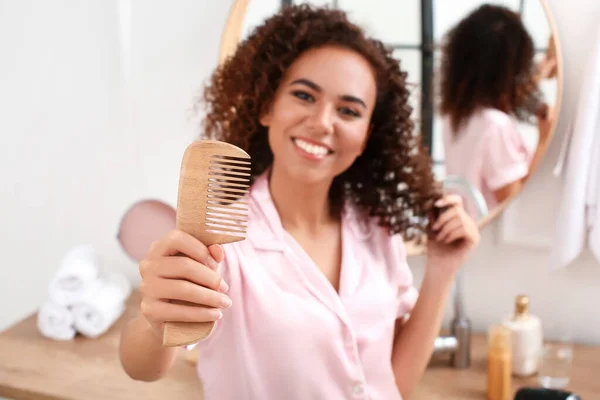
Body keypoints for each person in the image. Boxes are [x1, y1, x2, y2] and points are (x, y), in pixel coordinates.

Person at [119, 5, 480, 400]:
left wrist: (442, 270)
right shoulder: (222, 240)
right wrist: (156, 318)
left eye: (348, 110)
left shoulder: (376, 230)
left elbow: (395, 384)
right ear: (266, 104)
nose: (324, 122)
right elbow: (142, 366)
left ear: (366, 135)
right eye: (304, 95)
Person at [438, 4, 554, 214]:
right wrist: (544, 141)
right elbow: (515, 201)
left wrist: (542, 71)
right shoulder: (496, 126)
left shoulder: (456, 116)